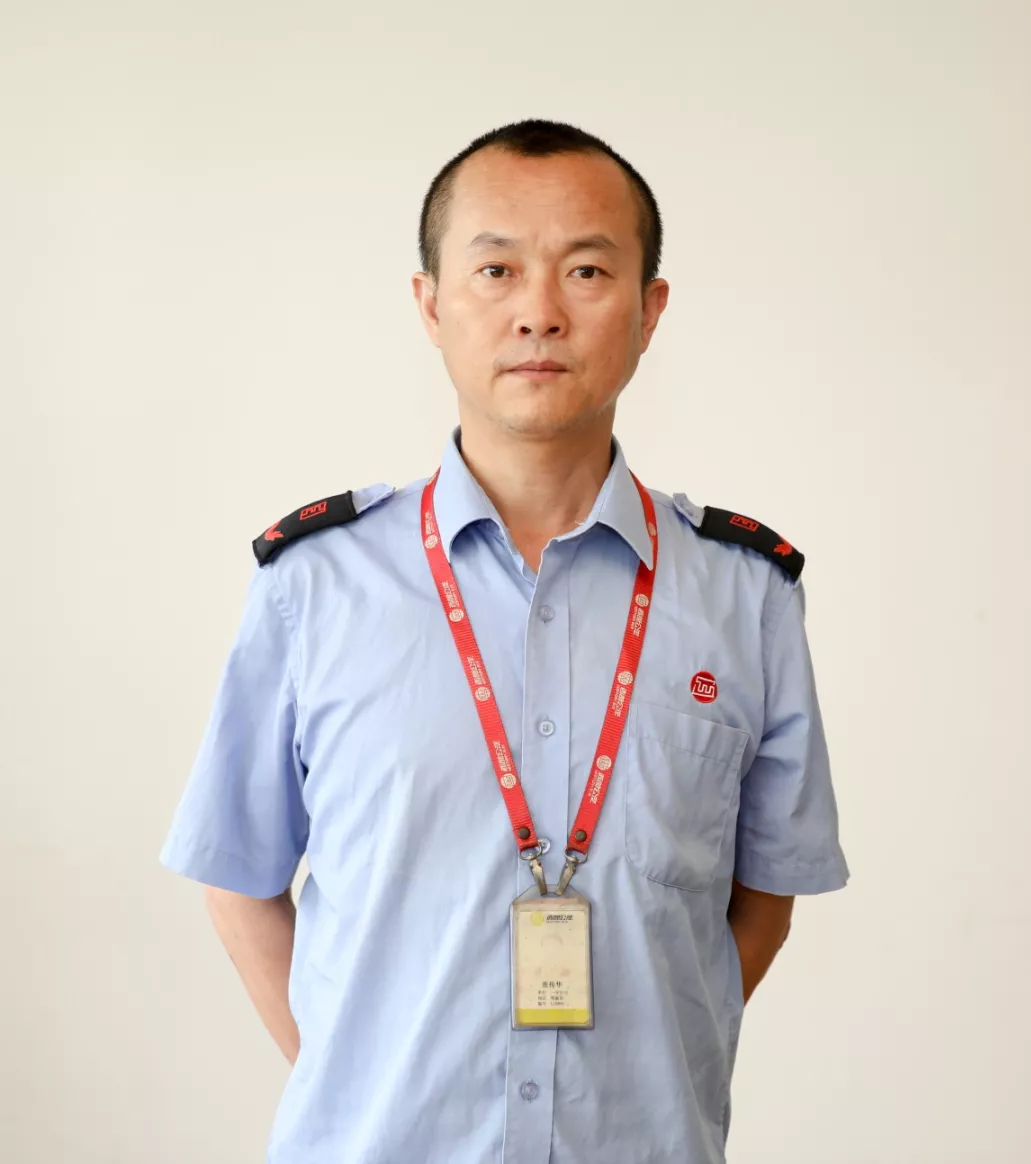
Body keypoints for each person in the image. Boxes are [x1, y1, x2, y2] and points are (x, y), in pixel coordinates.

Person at [159, 117, 849, 1164]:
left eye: (587, 270)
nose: (539, 311)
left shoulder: (743, 596)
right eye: (495, 270)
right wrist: (352, 1074)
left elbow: (765, 896)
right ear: (430, 305)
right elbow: (237, 875)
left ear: (650, 310)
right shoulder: (315, 586)